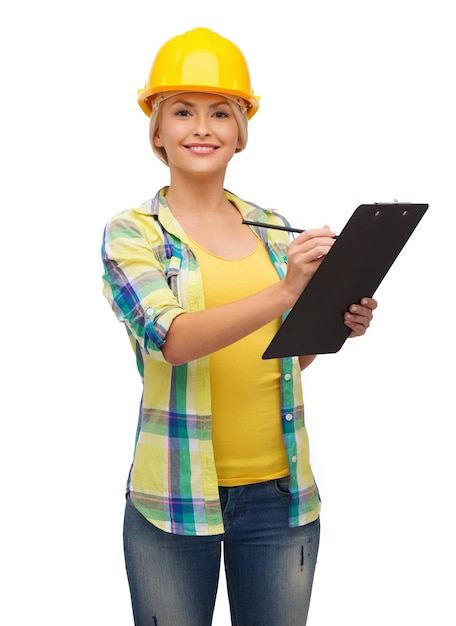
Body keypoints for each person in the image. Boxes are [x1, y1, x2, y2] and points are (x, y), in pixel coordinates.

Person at [101, 27, 377, 626]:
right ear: (157, 130)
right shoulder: (134, 233)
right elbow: (172, 341)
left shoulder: (272, 227)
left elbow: (286, 356)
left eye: (220, 112)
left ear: (240, 131)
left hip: (280, 499)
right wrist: (284, 291)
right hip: (173, 502)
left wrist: (334, 323)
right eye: (183, 111)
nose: (202, 128)